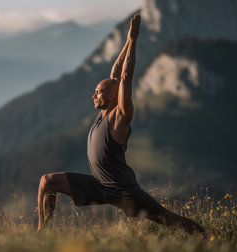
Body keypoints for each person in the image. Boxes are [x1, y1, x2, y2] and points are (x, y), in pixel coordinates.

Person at [37, 13, 205, 235]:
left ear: (112, 96)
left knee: (165, 218)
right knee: (47, 182)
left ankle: (204, 235)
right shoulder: (104, 111)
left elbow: (125, 76)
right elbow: (115, 74)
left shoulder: (120, 116)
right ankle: (42, 233)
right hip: (98, 185)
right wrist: (126, 41)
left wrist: (134, 41)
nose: (93, 95)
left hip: (123, 190)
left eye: (98, 92)